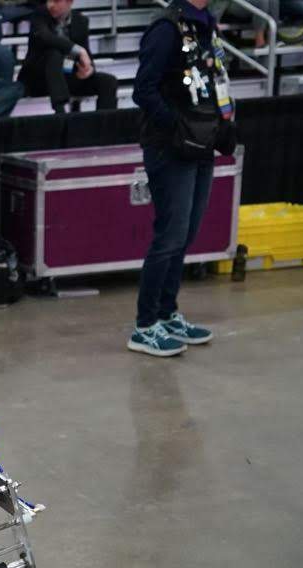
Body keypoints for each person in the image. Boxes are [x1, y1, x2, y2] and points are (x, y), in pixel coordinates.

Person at [128, 0, 234, 358]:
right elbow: (143, 90)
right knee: (170, 237)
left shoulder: (206, 24)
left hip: (203, 141)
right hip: (170, 147)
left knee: (185, 235)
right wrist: (175, 126)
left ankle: (167, 313)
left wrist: (223, 123)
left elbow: (213, 78)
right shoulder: (165, 28)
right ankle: (145, 326)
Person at [18, 0, 118, 112]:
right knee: (54, 54)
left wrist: (88, 70)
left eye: (56, 1)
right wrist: (77, 49)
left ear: (69, 2)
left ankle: (105, 122)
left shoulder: (80, 21)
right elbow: (46, 37)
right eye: (49, 0)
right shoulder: (40, 15)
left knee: (108, 82)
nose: (51, 5)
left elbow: (86, 55)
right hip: (40, 78)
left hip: (67, 72)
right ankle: (61, 113)